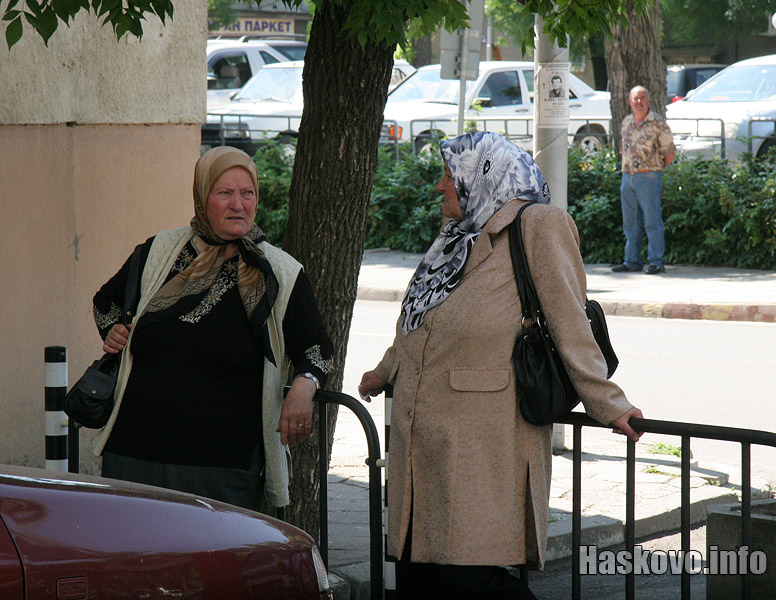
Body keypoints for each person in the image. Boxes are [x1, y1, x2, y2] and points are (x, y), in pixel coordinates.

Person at [358, 132, 643, 599]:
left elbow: (570, 320)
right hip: (421, 446)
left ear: (482, 173)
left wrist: (608, 403)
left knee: (470, 580)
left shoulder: (539, 225)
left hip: (483, 447)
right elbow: (428, 320)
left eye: (449, 174)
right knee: (418, 576)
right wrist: (389, 367)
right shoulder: (456, 238)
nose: (440, 187)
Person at [92, 146, 333, 511]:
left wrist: (304, 387)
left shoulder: (280, 272)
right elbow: (105, 303)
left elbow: (316, 348)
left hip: (224, 469)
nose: (238, 204)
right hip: (135, 454)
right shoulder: (158, 252)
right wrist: (114, 330)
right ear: (202, 199)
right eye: (224, 193)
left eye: (247, 193)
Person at [611, 85, 676, 275]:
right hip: (627, 176)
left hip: (649, 176)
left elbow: (669, 153)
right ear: (629, 101)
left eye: (642, 98)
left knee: (652, 221)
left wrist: (654, 169)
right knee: (630, 222)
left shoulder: (657, 123)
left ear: (648, 100)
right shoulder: (626, 122)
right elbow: (624, 150)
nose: (639, 102)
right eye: (635, 99)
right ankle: (631, 261)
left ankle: (656, 261)